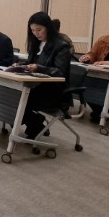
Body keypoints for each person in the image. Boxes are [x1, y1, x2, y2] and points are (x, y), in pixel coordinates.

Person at [17, 11, 72, 139]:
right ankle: (36, 124)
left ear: (48, 27)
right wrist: (20, 65)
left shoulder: (61, 46)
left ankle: (35, 124)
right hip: (36, 86)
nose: (36, 34)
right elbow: (30, 63)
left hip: (52, 90)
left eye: (39, 30)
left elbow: (59, 72)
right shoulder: (36, 43)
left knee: (18, 98)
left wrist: (38, 68)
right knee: (11, 94)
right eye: (33, 30)